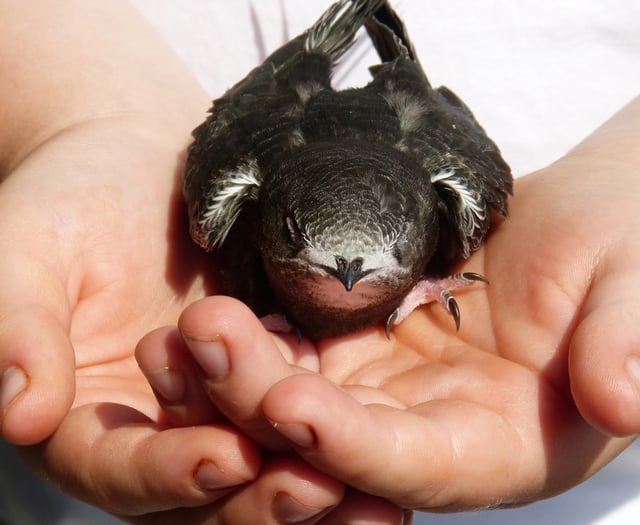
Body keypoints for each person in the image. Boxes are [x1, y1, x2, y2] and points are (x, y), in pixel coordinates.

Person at [1, 0, 638, 523]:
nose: (348, 273)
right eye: (310, 247)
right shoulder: (239, 183)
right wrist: (75, 120)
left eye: (383, 257)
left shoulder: (451, 184)